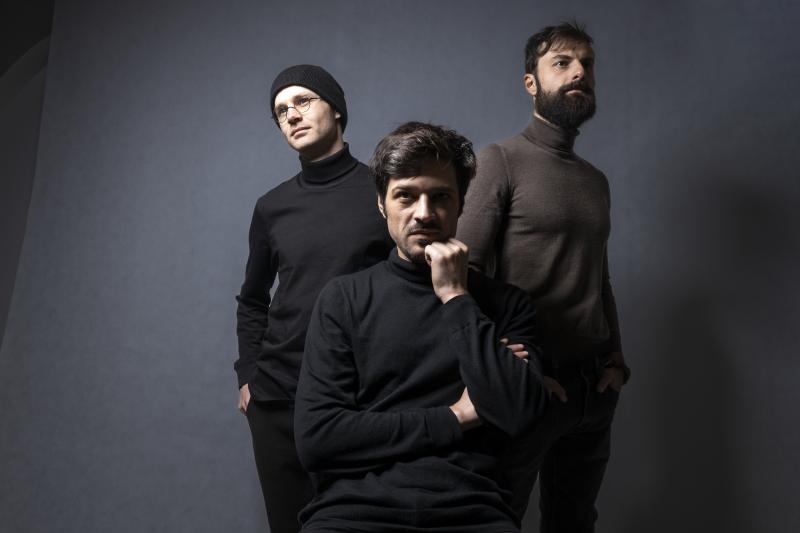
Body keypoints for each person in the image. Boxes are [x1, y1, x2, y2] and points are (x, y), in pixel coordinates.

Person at [294, 122, 549, 533]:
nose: (425, 213)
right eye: (406, 196)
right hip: (352, 513)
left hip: (472, 512)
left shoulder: (506, 304)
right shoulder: (343, 299)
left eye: (441, 196)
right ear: (382, 204)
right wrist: (456, 416)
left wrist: (456, 296)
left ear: (461, 204)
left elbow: (520, 415)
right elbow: (319, 440)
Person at [456, 22, 631, 532]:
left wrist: (617, 362)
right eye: (562, 63)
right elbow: (464, 276)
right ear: (531, 82)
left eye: (587, 64)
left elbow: (599, 278)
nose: (579, 72)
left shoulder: (595, 180)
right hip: (532, 383)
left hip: (594, 388)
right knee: (496, 518)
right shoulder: (500, 161)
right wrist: (518, 370)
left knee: (573, 522)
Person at [234, 64, 394, 533]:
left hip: (360, 395)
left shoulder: (384, 194)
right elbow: (252, 299)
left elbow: (416, 283)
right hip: (278, 398)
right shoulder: (272, 206)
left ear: (337, 109)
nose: (292, 116)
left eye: (303, 101)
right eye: (281, 111)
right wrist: (249, 376)